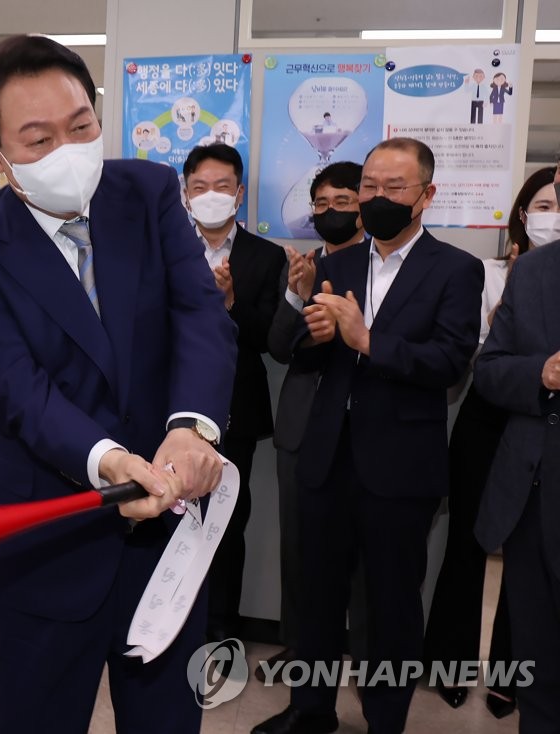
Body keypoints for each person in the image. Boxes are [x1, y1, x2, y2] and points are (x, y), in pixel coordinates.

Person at [0, 35, 237, 734]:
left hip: (168, 536)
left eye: (80, 127)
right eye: (36, 139)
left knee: (165, 720)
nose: (67, 151)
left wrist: (190, 427)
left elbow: (198, 312)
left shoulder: (149, 191)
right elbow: (16, 387)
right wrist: (108, 462)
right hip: (47, 537)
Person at [252, 137, 483, 734]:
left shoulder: (458, 268)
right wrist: (313, 324)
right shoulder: (337, 263)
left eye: (393, 189)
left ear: (426, 195)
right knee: (316, 597)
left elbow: (450, 362)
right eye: (370, 189)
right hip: (326, 457)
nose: (377, 199)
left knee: (388, 607)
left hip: (400, 468)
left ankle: (385, 719)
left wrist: (367, 341)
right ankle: (311, 712)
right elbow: (297, 350)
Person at [424, 166, 557, 719]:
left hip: (536, 440)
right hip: (493, 424)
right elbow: (485, 363)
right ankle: (455, 667)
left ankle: (510, 675)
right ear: (523, 214)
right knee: (474, 545)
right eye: (544, 205)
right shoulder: (514, 274)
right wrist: (542, 373)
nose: (551, 216)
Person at [264, 161, 367, 678]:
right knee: (299, 548)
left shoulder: (382, 266)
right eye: (321, 204)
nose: (329, 212)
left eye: (342, 202)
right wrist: (296, 295)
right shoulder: (302, 265)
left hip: (364, 432)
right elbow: (281, 348)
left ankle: (364, 659)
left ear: (363, 206)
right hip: (303, 429)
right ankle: (300, 647)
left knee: (366, 559)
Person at [182, 142, 284, 642]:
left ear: (239, 194)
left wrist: (229, 306)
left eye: (222, 187)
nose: (211, 195)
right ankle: (174, 621)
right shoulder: (165, 247)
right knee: (172, 518)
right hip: (171, 408)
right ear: (185, 193)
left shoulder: (266, 257)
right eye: (200, 187)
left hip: (234, 410)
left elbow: (270, 336)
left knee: (226, 524)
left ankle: (219, 630)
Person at [474, 180, 560, 734]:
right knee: (539, 662)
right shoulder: (533, 273)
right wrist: (542, 374)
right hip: (534, 495)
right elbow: (489, 370)